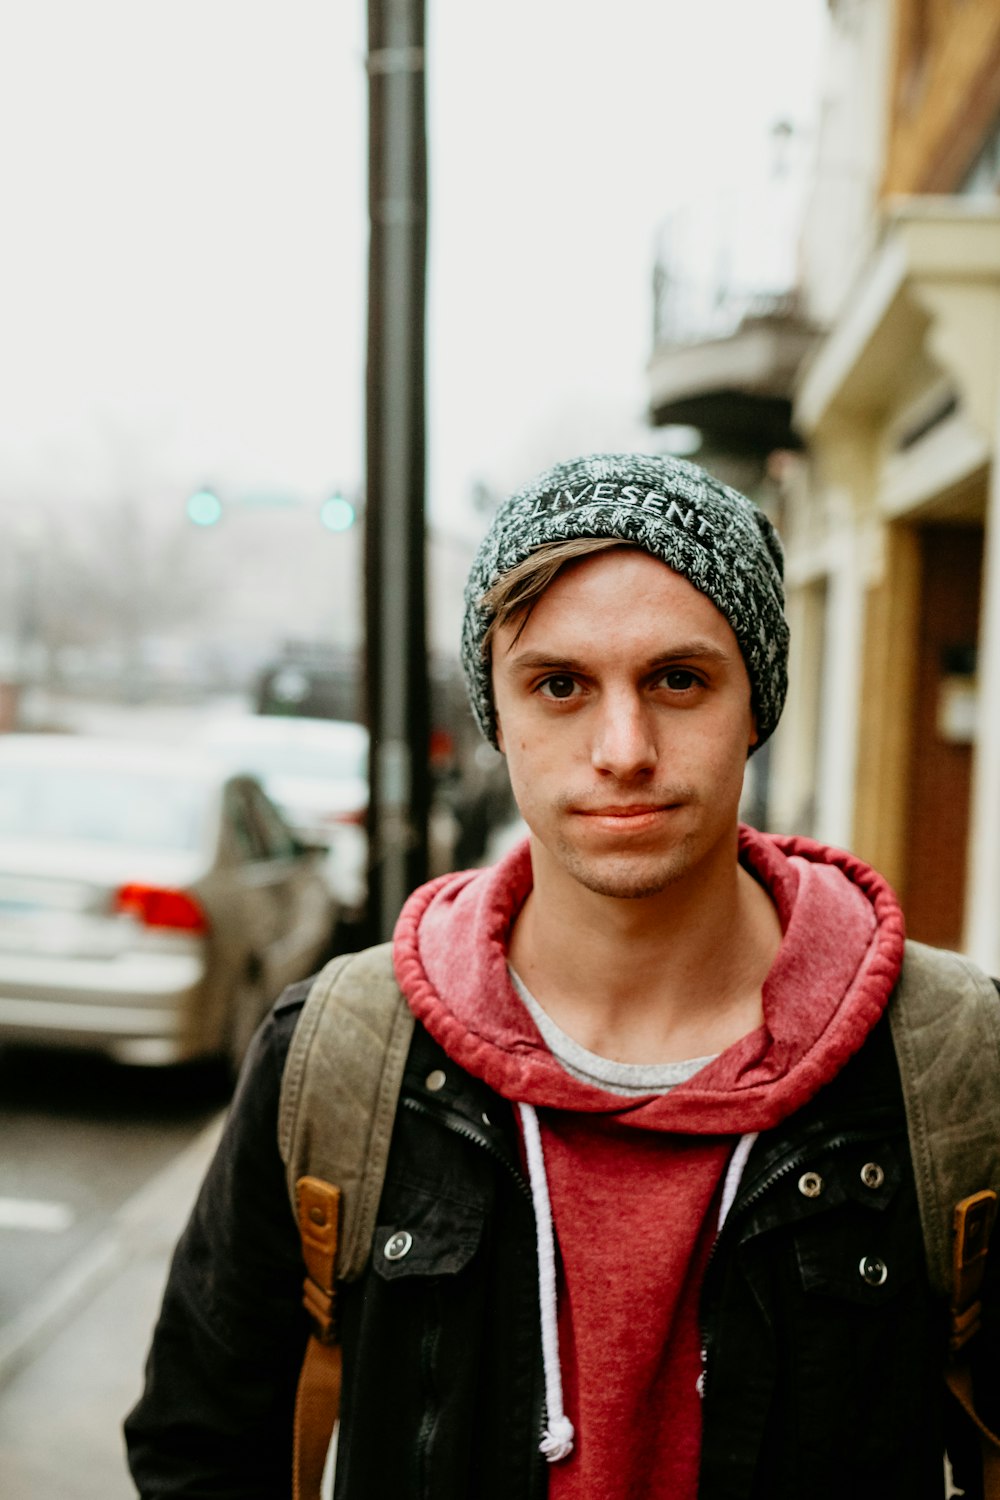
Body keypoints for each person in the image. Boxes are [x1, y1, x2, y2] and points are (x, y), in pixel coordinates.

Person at [125, 452, 999, 1499]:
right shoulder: (342, 1054)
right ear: (496, 717)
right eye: (559, 686)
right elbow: (202, 1449)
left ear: (755, 703)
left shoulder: (951, 1061)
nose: (622, 749)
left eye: (678, 680)